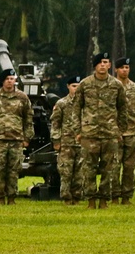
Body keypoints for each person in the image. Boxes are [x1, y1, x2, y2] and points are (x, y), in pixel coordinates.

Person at [71, 52, 127, 209]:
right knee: (88, 168)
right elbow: (76, 108)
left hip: (110, 133)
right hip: (90, 134)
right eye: (100, 62)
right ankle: (90, 199)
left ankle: (103, 199)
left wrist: (120, 130)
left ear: (109, 65)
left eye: (106, 62)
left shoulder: (116, 85)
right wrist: (78, 131)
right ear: (95, 65)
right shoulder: (85, 84)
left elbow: (123, 109)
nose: (103, 65)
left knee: (108, 169)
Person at [0, 68, 33, 205]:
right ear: (2, 81)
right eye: (7, 79)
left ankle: (11, 197)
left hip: (16, 140)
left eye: (12, 78)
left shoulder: (22, 97)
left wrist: (27, 138)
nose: (10, 81)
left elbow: (28, 118)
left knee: (14, 170)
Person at [112, 57, 135, 205]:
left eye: (127, 67)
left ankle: (126, 196)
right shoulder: (111, 86)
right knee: (114, 166)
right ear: (116, 70)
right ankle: (113, 196)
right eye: (122, 67)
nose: (124, 70)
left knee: (129, 167)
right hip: (115, 133)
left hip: (132, 132)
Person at [50, 75, 83, 205]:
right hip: (66, 143)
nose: (76, 89)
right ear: (68, 87)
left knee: (80, 173)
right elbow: (55, 123)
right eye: (74, 86)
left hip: (82, 143)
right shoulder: (61, 103)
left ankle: (77, 197)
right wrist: (56, 141)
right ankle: (66, 198)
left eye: (79, 87)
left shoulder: (85, 104)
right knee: (66, 171)